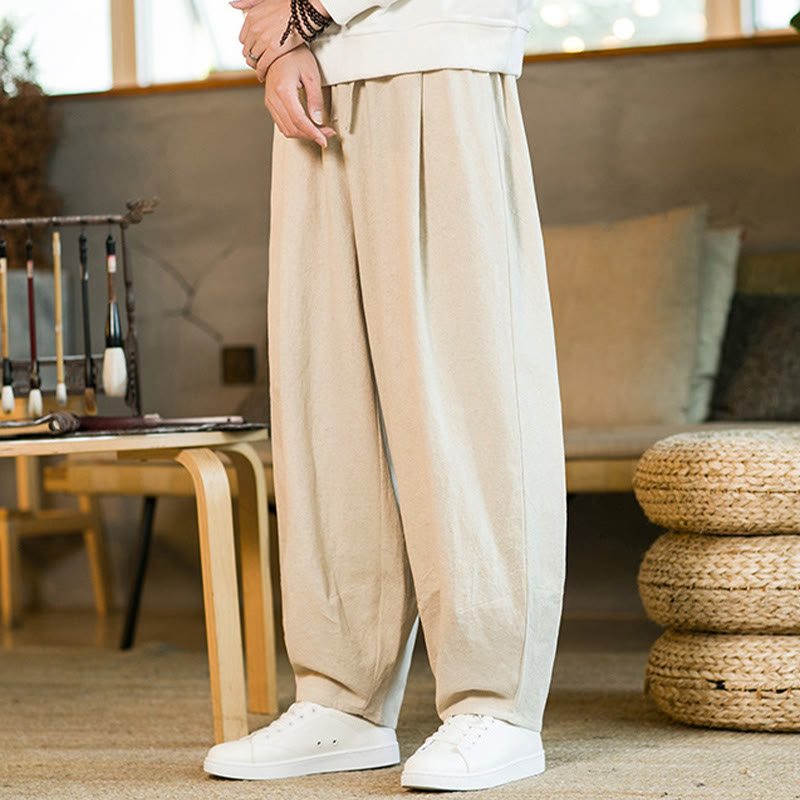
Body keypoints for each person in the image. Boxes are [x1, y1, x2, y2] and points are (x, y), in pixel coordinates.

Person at [203, 0, 567, 791]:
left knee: (464, 389)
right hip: (315, 63)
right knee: (325, 391)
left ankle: (495, 703)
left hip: (436, 44)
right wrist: (281, 42)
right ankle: (342, 698)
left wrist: (304, 10)